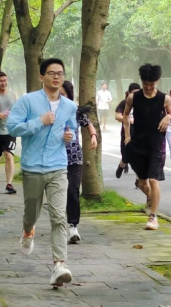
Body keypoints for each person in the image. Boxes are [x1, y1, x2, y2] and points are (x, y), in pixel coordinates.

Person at [7, 58, 77, 288]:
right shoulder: (28, 101)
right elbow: (12, 127)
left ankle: (59, 266)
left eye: (60, 73)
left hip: (58, 167)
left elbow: (72, 130)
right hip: (33, 168)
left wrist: (69, 136)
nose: (56, 77)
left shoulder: (69, 106)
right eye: (51, 73)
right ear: (41, 76)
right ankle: (28, 232)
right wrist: (39, 121)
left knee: (59, 216)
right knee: (31, 214)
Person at [123, 64, 171, 231]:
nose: (149, 87)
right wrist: (127, 134)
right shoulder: (133, 97)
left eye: (152, 84)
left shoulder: (164, 98)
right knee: (142, 183)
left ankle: (153, 216)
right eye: (145, 84)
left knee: (153, 179)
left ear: (157, 81)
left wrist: (168, 116)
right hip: (138, 144)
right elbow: (125, 114)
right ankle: (154, 200)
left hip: (157, 144)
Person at [60, 80, 97, 244]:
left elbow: (89, 125)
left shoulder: (75, 111)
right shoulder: (50, 111)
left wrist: (93, 136)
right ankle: (59, 223)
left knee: (72, 191)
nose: (60, 97)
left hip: (74, 156)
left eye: (63, 94)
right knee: (58, 192)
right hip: (55, 158)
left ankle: (73, 226)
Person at [115, 83, 141, 178]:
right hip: (127, 132)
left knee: (139, 156)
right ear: (129, 93)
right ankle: (122, 165)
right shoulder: (124, 103)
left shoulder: (143, 103)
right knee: (126, 155)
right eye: (133, 93)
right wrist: (129, 119)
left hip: (141, 133)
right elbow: (117, 116)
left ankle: (139, 179)